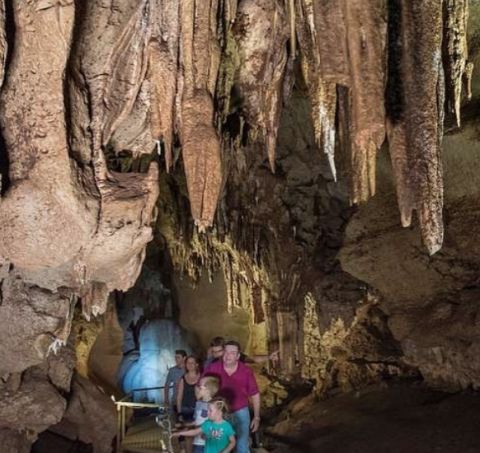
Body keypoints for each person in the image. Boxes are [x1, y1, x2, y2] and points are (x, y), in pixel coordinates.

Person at [204, 341, 260, 453]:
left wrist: (257, 417)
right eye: (226, 352)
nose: (227, 355)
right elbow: (202, 387)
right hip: (219, 412)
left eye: (232, 353)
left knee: (241, 444)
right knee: (219, 445)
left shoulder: (246, 371)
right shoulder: (213, 368)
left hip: (240, 411)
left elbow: (254, 394)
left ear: (238, 356)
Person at [184, 376, 220, 453]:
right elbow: (197, 420)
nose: (197, 389)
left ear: (207, 391)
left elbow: (215, 423)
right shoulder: (199, 403)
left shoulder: (213, 406)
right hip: (197, 441)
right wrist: (186, 425)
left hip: (207, 442)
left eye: (200, 387)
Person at [205, 336, 279, 367]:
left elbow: (251, 359)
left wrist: (269, 357)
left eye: (219, 351)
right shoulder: (211, 362)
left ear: (225, 349)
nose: (216, 354)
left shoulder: (232, 356)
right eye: (214, 352)